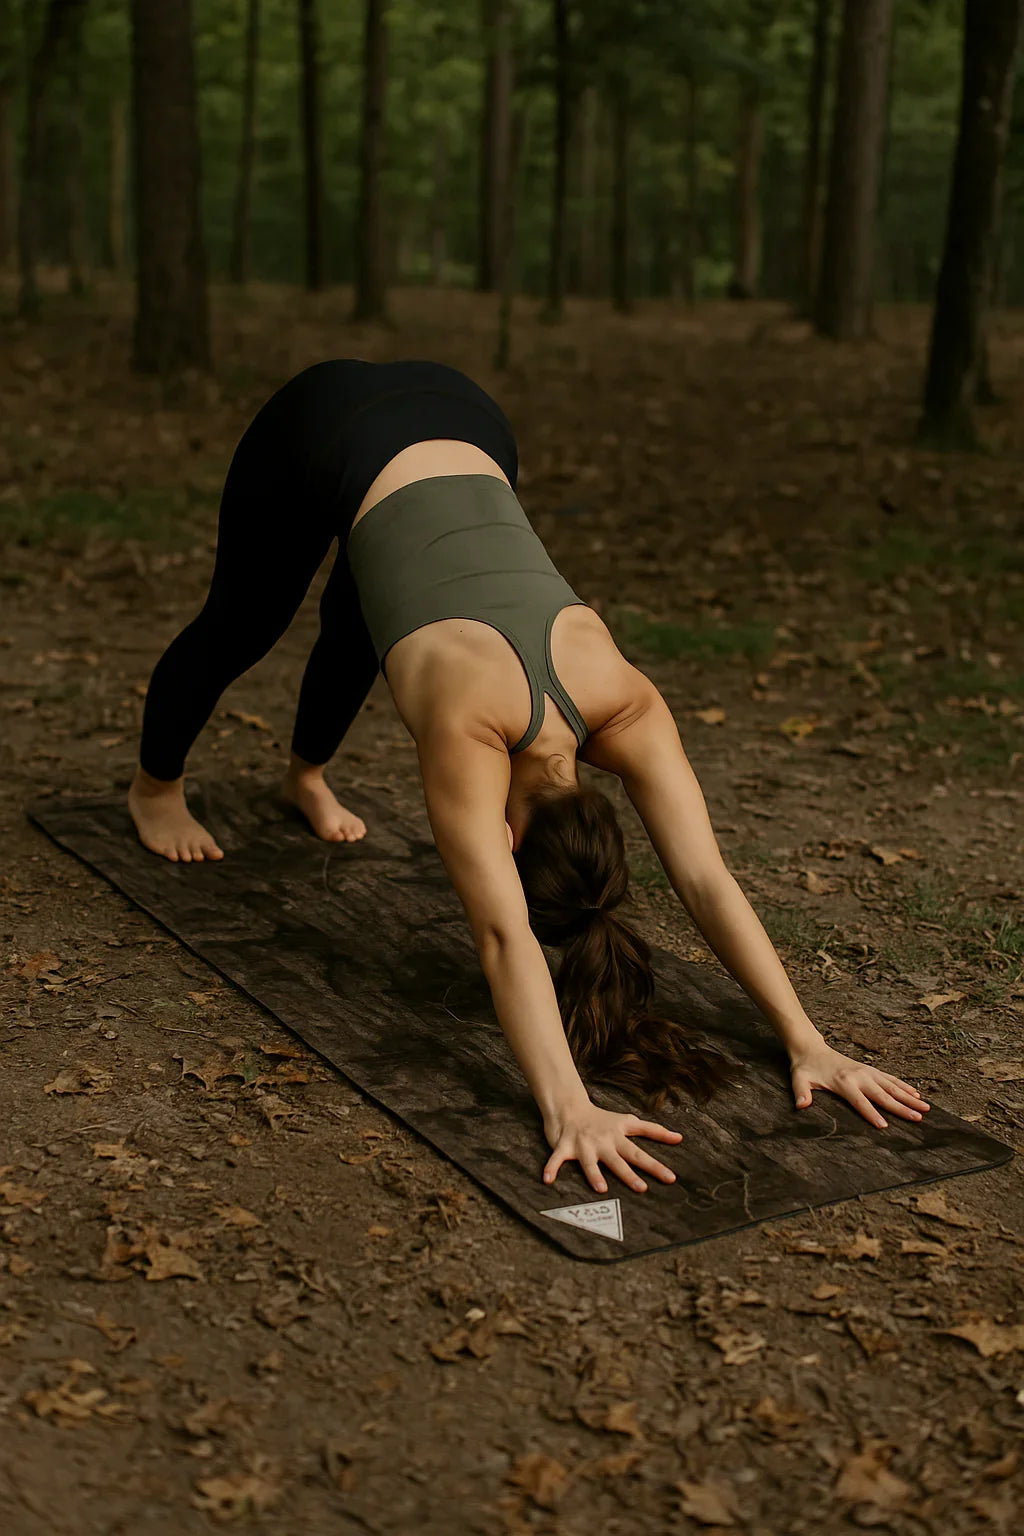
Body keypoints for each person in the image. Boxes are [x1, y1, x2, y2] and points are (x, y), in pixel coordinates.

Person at [129, 358, 930, 1196]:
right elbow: (503, 934)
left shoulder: (626, 702)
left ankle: (307, 775)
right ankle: (153, 790)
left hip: (470, 414)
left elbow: (704, 877)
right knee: (244, 621)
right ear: (510, 838)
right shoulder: (470, 727)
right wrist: (567, 1105)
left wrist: (810, 1039)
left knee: (365, 616)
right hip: (326, 419)